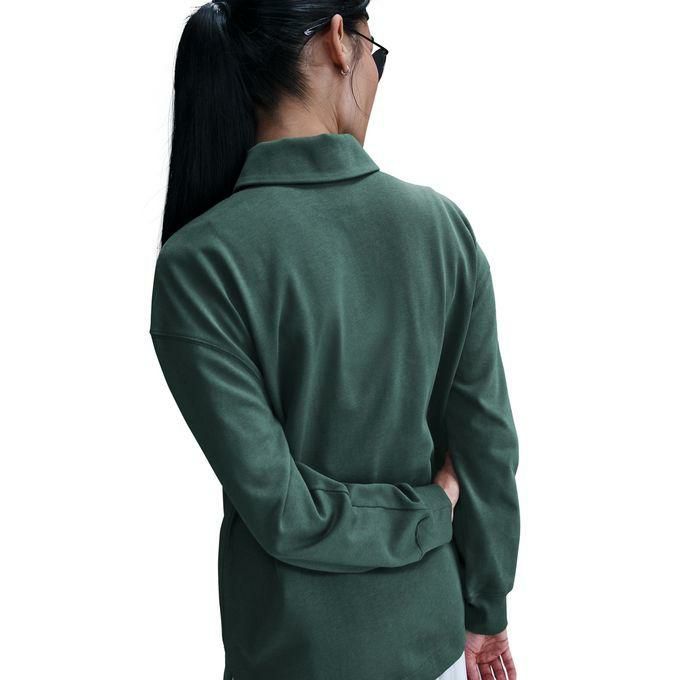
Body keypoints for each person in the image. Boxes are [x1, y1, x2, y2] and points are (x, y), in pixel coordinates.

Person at [148, 1, 521, 679]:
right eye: (378, 53)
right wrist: (482, 602)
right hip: (430, 642)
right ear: (340, 41)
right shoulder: (442, 229)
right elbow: (485, 446)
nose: (376, 76)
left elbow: (283, 508)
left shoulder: (197, 262)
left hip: (289, 656)